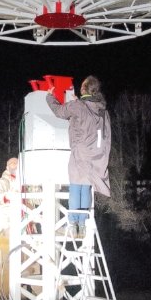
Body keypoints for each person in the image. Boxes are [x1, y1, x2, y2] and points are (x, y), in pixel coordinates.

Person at [46, 75, 112, 235]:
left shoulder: (78, 106)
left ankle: (73, 224)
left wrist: (49, 96)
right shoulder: (102, 109)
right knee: (85, 187)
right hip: (96, 156)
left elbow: (59, 111)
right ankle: (82, 225)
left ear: (84, 89)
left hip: (80, 154)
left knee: (75, 187)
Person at [0, 157, 19, 236]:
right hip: (7, 220)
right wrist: (8, 196)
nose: (15, 165)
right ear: (7, 167)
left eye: (17, 163)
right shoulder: (2, 182)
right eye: (12, 163)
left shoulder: (26, 184)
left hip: (24, 219)